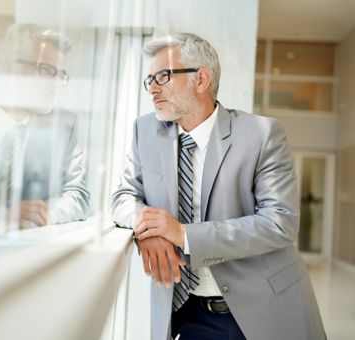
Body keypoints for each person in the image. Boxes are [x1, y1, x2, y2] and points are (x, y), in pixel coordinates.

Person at [111, 33, 325, 340]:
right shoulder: (144, 131)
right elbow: (123, 196)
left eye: (163, 76)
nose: (153, 88)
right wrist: (145, 225)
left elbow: (280, 223)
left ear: (201, 79)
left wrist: (183, 235)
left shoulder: (261, 134)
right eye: (150, 79)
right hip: (185, 309)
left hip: (262, 307)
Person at [0, 23, 89, 232]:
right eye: (46, 70)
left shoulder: (65, 125)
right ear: (9, 66)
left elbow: (78, 196)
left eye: (60, 74)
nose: (55, 83)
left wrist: (44, 214)